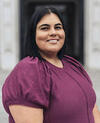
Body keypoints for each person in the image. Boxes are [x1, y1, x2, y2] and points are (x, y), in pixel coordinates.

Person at [2, 6, 100, 123]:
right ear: (33, 34)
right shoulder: (27, 71)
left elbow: (93, 109)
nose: (53, 33)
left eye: (58, 27)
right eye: (45, 28)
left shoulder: (74, 65)